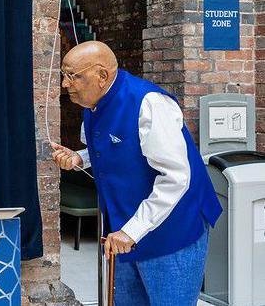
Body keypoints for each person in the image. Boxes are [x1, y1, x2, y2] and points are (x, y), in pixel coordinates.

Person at [51, 41, 222, 306]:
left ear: (102, 75)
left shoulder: (149, 104)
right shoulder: (92, 103)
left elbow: (176, 177)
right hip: (127, 228)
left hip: (174, 227)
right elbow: (118, 147)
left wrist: (131, 231)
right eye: (64, 75)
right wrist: (79, 157)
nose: (65, 84)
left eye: (73, 76)